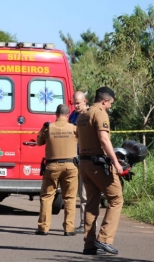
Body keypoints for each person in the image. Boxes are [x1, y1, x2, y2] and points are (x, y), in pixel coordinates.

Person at [77, 86, 123, 256]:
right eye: (110, 103)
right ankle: (104, 239)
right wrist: (116, 162)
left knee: (91, 204)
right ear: (105, 101)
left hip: (84, 164)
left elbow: (81, 141)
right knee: (116, 198)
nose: (110, 106)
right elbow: (104, 139)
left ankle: (89, 245)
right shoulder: (100, 113)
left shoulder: (83, 115)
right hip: (97, 164)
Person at [35, 104, 78, 236]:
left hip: (52, 167)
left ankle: (43, 228)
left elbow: (39, 142)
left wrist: (43, 128)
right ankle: (69, 229)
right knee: (70, 198)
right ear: (67, 114)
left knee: (47, 197)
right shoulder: (74, 128)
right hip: (70, 166)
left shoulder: (49, 128)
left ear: (56, 113)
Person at [68, 91, 88, 234]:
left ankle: (85, 224)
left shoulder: (90, 115)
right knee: (71, 193)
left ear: (85, 101)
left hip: (85, 158)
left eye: (78, 103)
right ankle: (68, 224)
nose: (75, 105)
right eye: (74, 103)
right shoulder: (72, 116)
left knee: (84, 193)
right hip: (73, 158)